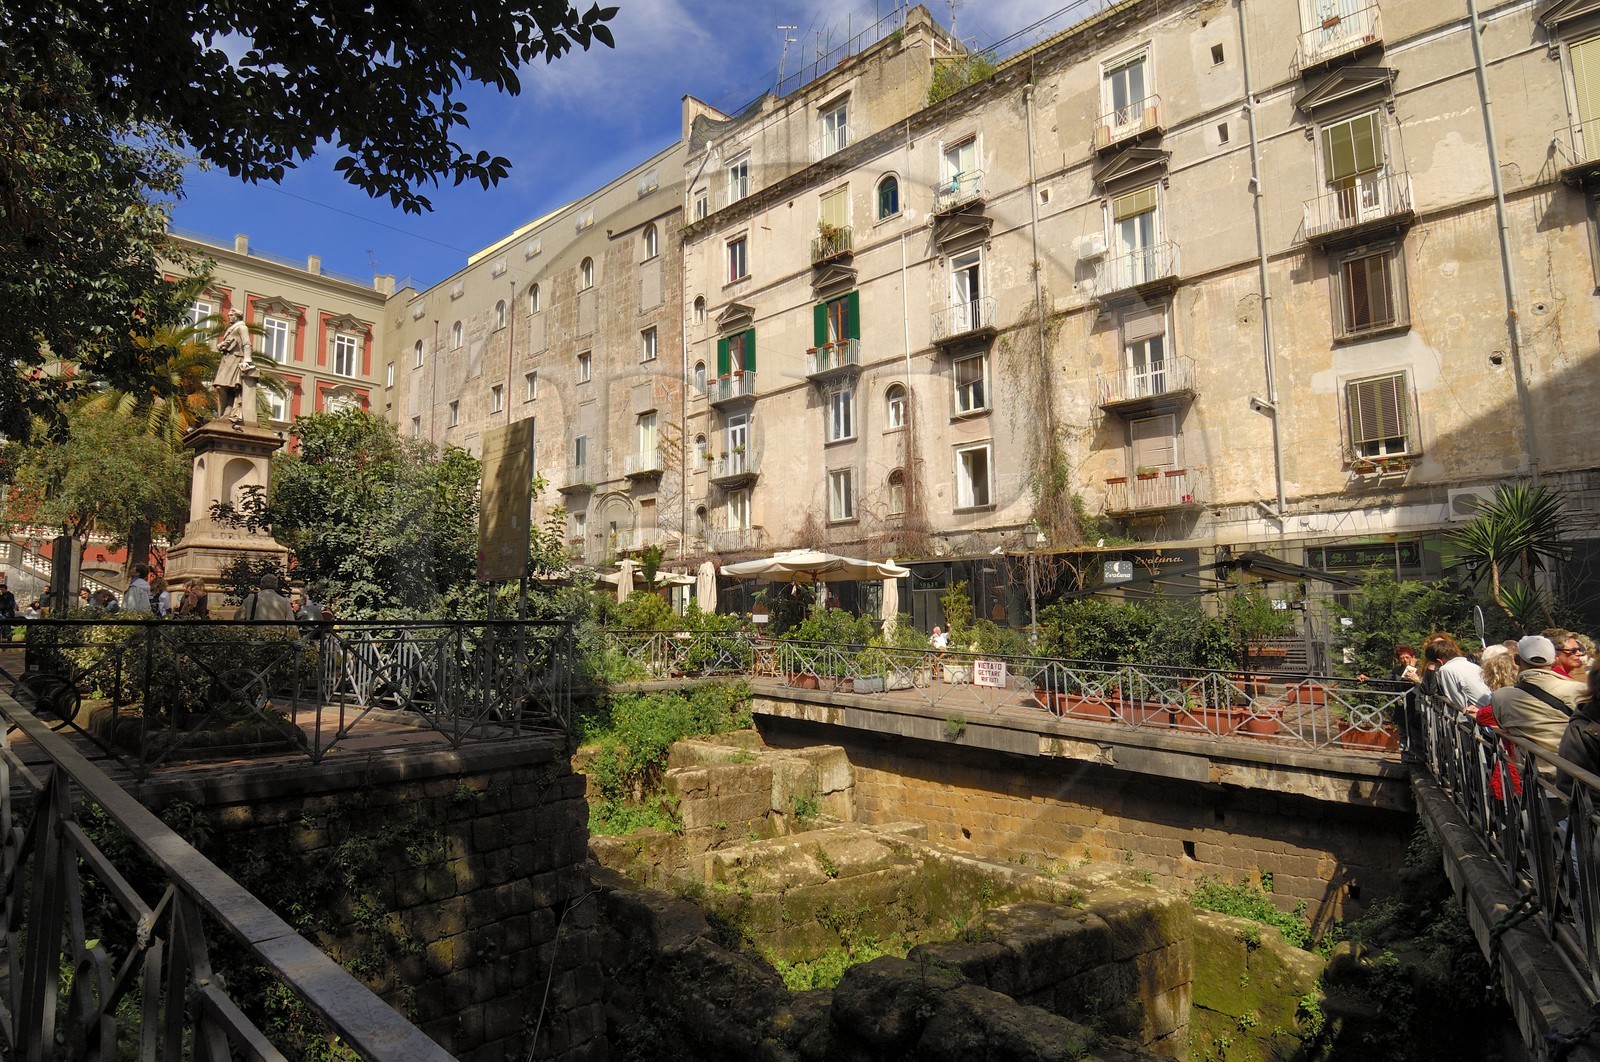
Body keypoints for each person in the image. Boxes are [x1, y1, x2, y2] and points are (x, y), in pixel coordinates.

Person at [1486, 635, 1587, 758]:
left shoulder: (1501, 697)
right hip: (1576, 771)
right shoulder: (1579, 690)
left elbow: (1502, 725)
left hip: (1533, 772)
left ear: (1517, 659)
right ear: (1554, 661)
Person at [1425, 639, 1491, 713]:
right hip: (1490, 707)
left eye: (1435, 665)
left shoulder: (1446, 669)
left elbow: (1459, 702)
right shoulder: (1471, 665)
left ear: (1440, 661)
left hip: (1478, 713)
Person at [211, 309, 255, 419]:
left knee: (229, 386)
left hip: (236, 359)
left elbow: (247, 343)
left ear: (237, 316)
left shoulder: (242, 327)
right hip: (227, 359)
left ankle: (228, 410)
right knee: (221, 386)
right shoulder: (231, 328)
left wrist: (247, 360)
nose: (229, 317)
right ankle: (225, 411)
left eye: (231, 315)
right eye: (228, 315)